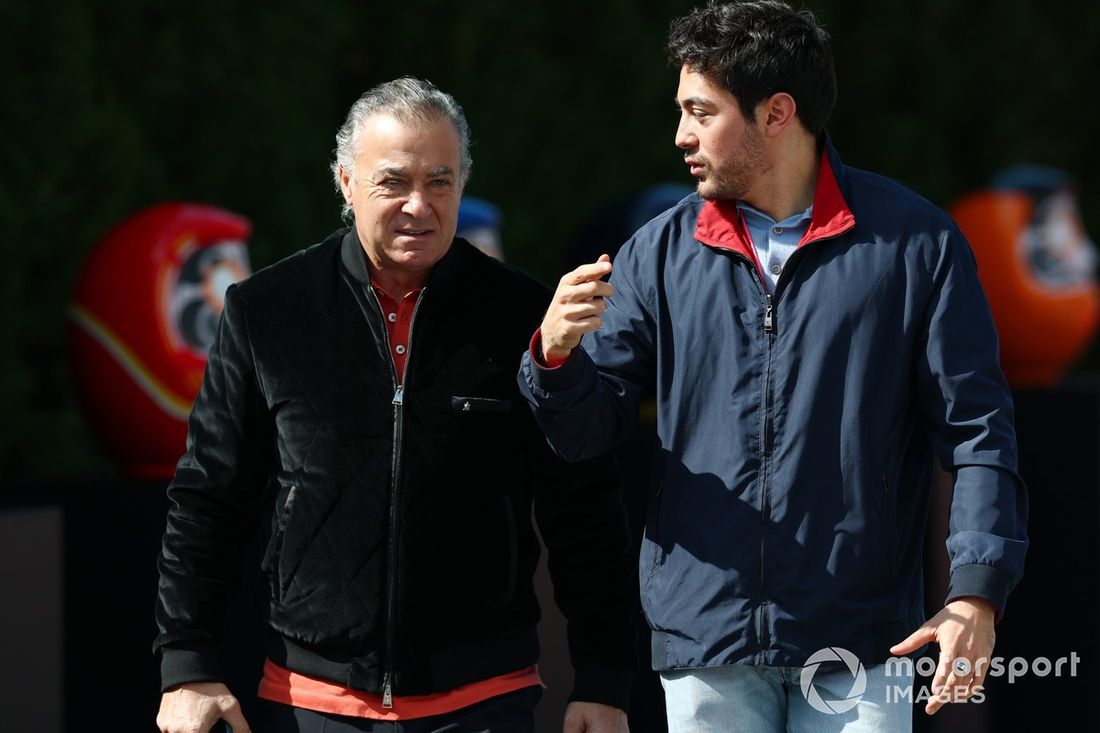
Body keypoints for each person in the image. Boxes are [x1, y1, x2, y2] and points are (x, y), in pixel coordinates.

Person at [517, 2, 1028, 732]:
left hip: (861, 640)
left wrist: (976, 594)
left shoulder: (917, 244)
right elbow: (586, 434)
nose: (680, 135)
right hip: (706, 640)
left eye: (701, 111)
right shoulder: (657, 251)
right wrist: (556, 359)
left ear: (777, 112)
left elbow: (979, 433)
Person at [153, 77, 636, 733]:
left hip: (484, 701)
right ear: (346, 183)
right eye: (393, 182)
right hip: (310, 701)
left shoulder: (525, 317)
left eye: (441, 181)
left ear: (463, 184)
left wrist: (604, 676)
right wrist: (187, 666)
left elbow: (582, 505)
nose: (420, 205)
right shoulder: (266, 311)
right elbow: (209, 497)